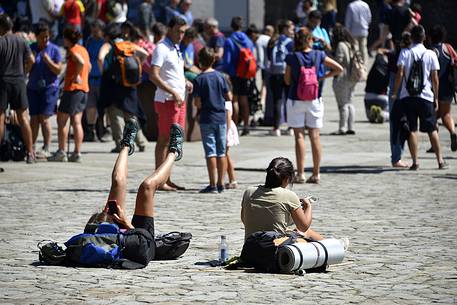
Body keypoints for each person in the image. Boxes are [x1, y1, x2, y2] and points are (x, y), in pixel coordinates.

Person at [86, 120, 184, 268]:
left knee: (118, 181)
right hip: (138, 243)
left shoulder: (95, 238)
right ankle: (174, 152)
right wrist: (127, 224)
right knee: (147, 186)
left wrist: (103, 218)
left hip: (113, 231)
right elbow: (142, 241)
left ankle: (126, 145)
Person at [284, 27, 342, 184]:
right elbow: (339, 68)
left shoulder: (292, 57)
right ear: (311, 39)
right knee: (315, 136)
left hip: (296, 99)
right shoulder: (319, 55)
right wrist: (321, 77)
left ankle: (301, 173)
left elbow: (287, 80)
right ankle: (316, 173)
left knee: (299, 137)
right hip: (314, 99)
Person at [391, 25, 448, 170]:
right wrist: (435, 97)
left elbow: (400, 73)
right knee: (432, 129)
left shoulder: (405, 52)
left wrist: (395, 93)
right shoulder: (430, 54)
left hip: (407, 96)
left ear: (412, 37)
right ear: (424, 37)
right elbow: (435, 78)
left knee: (412, 129)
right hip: (426, 96)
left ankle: (415, 162)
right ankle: (440, 161)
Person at [150, 16, 193, 191]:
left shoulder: (175, 48)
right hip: (167, 100)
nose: (181, 35)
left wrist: (184, 82)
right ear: (170, 29)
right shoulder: (161, 47)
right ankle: (159, 180)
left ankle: (166, 178)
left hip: (178, 100)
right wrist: (173, 91)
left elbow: (174, 73)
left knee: (174, 141)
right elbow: (154, 75)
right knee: (164, 140)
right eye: (178, 31)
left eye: (183, 32)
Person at [241, 157, 324, 241]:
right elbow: (303, 227)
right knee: (307, 233)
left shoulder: (249, 191)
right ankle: (330, 248)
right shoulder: (289, 195)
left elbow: (244, 220)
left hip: (250, 248)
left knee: (291, 231)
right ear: (287, 179)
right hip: (275, 248)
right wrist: (307, 206)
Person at [97, 23, 149, 154]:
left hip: (113, 84)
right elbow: (145, 53)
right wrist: (138, 67)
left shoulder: (109, 45)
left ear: (108, 35)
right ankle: (141, 142)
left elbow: (100, 58)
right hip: (129, 84)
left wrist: (104, 71)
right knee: (131, 114)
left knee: (115, 114)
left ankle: (121, 144)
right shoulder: (128, 44)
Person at [48, 27, 90, 163]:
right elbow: (88, 66)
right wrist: (82, 77)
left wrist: (76, 75)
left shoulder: (72, 50)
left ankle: (61, 151)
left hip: (72, 90)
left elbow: (81, 63)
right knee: (77, 121)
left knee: (61, 120)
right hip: (84, 89)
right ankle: (77, 153)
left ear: (67, 39)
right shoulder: (83, 49)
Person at [193, 47, 232, 193]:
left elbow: (197, 102)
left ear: (200, 61)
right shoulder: (220, 76)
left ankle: (212, 184)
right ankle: (221, 183)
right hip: (221, 117)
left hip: (206, 117)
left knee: (210, 151)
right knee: (221, 151)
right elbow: (229, 96)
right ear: (214, 60)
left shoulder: (199, 79)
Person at [0, 14, 35, 163]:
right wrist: (25, 72)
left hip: (2, 81)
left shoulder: (0, 41)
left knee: (0, 118)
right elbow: (32, 60)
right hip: (19, 81)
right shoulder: (21, 40)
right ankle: (30, 153)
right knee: (23, 118)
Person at [27, 22, 63, 159]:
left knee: (45, 118)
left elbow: (58, 70)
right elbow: (26, 70)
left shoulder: (54, 50)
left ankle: (47, 147)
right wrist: (30, 63)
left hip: (49, 87)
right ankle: (32, 147)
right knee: (34, 118)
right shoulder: (31, 48)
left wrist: (48, 61)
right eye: (42, 37)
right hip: (33, 88)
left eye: (47, 37)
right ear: (36, 37)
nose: (45, 40)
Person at [223, 16, 255, 136]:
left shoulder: (229, 41)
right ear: (242, 26)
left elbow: (227, 60)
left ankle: (234, 126)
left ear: (231, 26)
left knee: (234, 100)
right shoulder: (248, 41)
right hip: (245, 74)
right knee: (244, 99)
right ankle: (246, 126)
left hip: (233, 74)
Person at [429, 25, 457, 152]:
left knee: (432, 115)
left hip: (433, 87)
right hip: (448, 86)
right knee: (446, 113)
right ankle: (452, 131)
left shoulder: (430, 51)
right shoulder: (448, 48)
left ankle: (434, 144)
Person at [266, 19, 294, 137]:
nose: (293, 31)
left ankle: (276, 128)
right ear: (285, 29)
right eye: (291, 29)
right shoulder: (290, 42)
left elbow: (268, 56)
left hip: (275, 73)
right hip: (287, 72)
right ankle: (291, 127)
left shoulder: (272, 40)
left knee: (277, 100)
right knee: (289, 99)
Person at [331, 24, 358, 135]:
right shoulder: (351, 44)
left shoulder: (341, 45)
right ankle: (351, 127)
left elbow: (339, 60)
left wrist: (330, 57)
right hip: (353, 77)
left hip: (342, 77)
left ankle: (342, 128)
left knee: (342, 104)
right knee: (350, 102)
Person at [84, 19, 105, 142]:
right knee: (90, 106)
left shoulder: (105, 43)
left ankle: (103, 130)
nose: (94, 33)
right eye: (93, 31)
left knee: (102, 108)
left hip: (102, 78)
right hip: (90, 78)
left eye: (96, 31)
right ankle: (90, 131)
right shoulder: (89, 41)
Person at [364, 52, 390, 123]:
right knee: (390, 114)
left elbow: (378, 54)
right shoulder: (387, 70)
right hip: (382, 97)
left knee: (369, 117)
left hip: (369, 97)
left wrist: (379, 53)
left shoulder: (372, 71)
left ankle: (371, 113)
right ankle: (382, 114)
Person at [223, 74, 239, 189]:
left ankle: (232, 179)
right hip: (225, 128)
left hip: (226, 129)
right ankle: (230, 178)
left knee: (225, 155)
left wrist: (226, 133)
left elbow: (228, 118)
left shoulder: (227, 102)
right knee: (225, 155)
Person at [344, 0, 371, 65]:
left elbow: (348, 20)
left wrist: (347, 30)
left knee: (355, 48)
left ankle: (357, 64)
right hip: (364, 30)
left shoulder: (351, 6)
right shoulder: (365, 5)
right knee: (363, 48)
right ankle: (364, 65)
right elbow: (369, 18)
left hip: (353, 31)